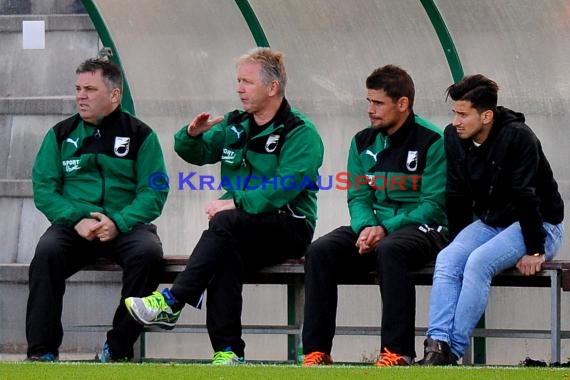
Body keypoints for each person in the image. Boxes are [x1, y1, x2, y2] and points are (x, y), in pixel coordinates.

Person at [124, 47, 324, 365]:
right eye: (238, 81)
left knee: (225, 224)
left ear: (272, 88)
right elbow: (198, 152)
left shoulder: (300, 132)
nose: (239, 88)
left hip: (289, 224)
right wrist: (190, 136)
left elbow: (286, 186)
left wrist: (236, 202)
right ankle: (228, 351)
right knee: (224, 254)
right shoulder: (235, 124)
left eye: (247, 81)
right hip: (239, 226)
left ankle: (173, 300)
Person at [301, 65, 448, 367]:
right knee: (320, 251)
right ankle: (316, 351)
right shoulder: (362, 141)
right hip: (377, 226)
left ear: (403, 104)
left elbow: (432, 204)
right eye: (368, 101)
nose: (370, 110)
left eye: (378, 103)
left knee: (391, 249)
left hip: (425, 228)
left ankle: (397, 352)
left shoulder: (432, 141)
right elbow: (357, 196)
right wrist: (368, 226)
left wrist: (385, 228)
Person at [26, 57, 169, 362]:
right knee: (46, 253)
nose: (80, 95)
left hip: (125, 225)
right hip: (73, 225)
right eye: (78, 88)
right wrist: (76, 218)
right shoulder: (60, 135)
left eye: (90, 89)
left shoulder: (141, 135)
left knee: (148, 255)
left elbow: (154, 191)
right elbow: (44, 189)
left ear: (114, 95)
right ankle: (42, 352)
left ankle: (116, 350)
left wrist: (118, 221)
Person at [418, 74, 565, 365]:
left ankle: (452, 352)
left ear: (486, 115)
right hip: (492, 222)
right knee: (449, 258)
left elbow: (527, 196)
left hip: (539, 224)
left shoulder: (518, 136)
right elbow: (456, 195)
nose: (456, 121)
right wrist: (459, 241)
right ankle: (435, 347)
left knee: (478, 262)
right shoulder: (453, 137)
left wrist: (535, 249)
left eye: (463, 114)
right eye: (454, 113)